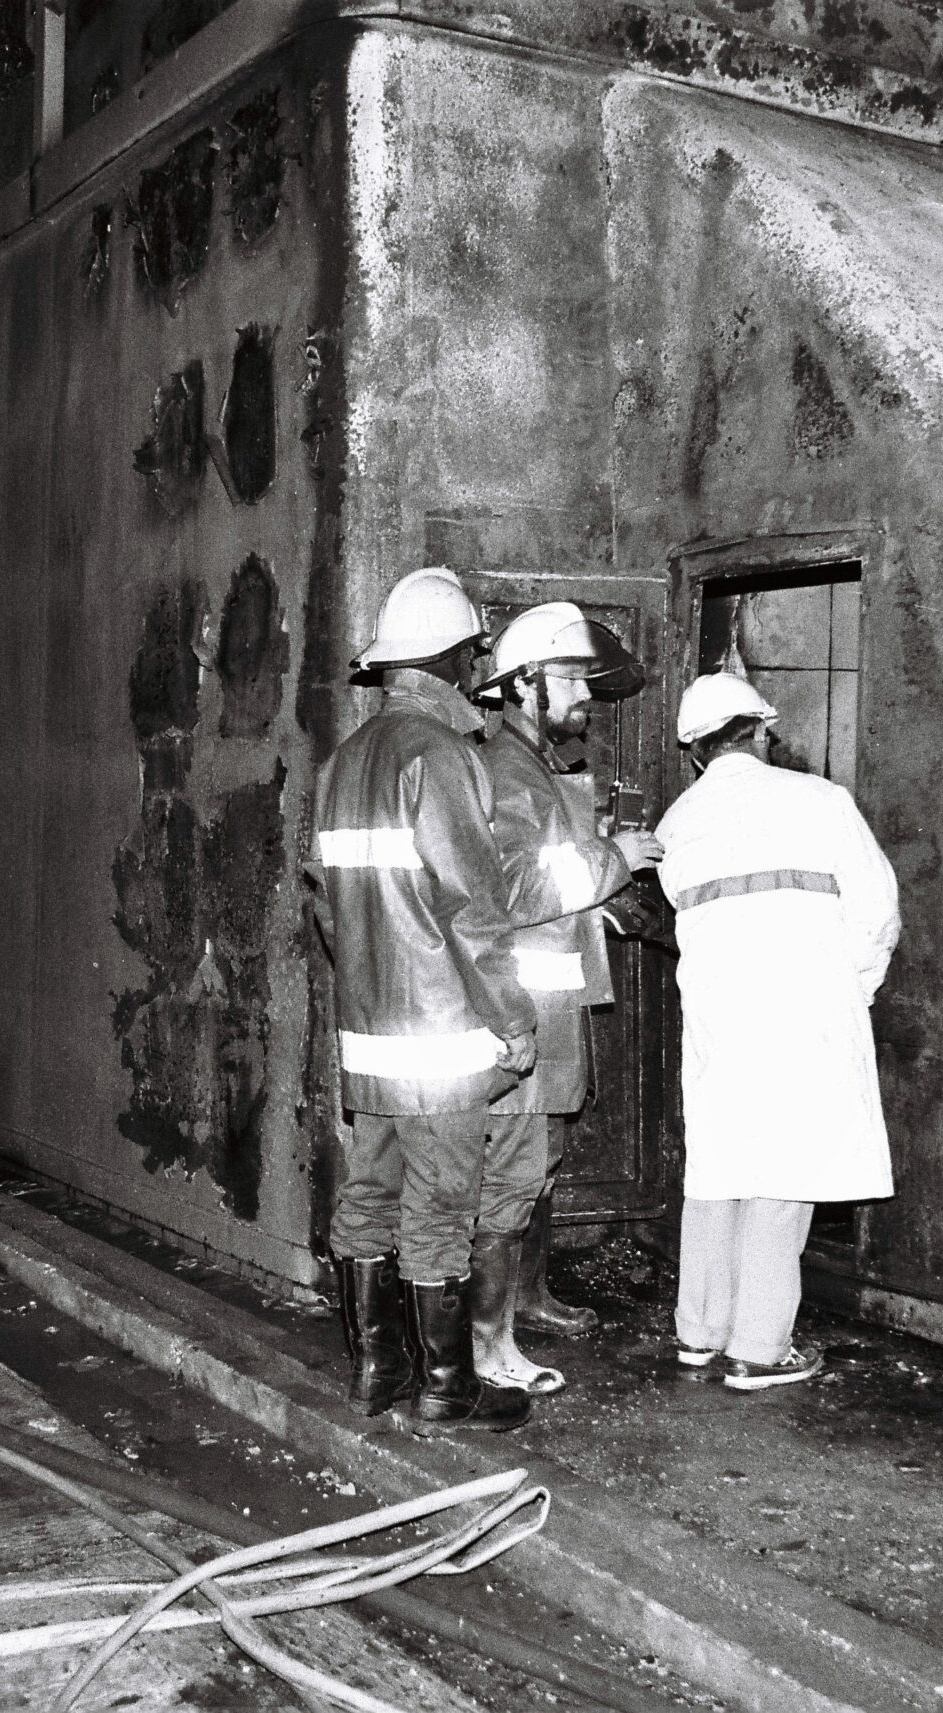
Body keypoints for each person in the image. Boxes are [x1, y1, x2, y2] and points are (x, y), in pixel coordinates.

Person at [310, 568, 540, 1436]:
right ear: (450, 659)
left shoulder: (344, 763)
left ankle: (378, 1371)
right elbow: (474, 913)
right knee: (443, 1204)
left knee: (368, 1195)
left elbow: (332, 908)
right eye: (471, 654)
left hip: (371, 1038)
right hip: (442, 1040)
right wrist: (512, 1021)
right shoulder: (437, 756)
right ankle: (448, 1385)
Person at [654, 671, 899, 1391]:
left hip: (718, 1018)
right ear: (761, 731)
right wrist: (852, 985)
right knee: (782, 1174)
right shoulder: (821, 801)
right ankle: (759, 1349)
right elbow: (877, 909)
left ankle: (699, 1333)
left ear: (696, 752)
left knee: (718, 1167)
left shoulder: (675, 823)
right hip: (803, 1013)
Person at [473, 604, 663, 1392]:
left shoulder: (538, 769)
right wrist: (611, 857)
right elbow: (517, 889)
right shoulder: (509, 772)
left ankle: (525, 1298)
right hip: (525, 1008)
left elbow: (555, 881)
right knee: (514, 1173)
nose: (584, 693)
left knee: (541, 1161)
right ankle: (488, 1347)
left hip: (555, 1003)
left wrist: (608, 895)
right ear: (523, 684)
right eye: (570, 678)